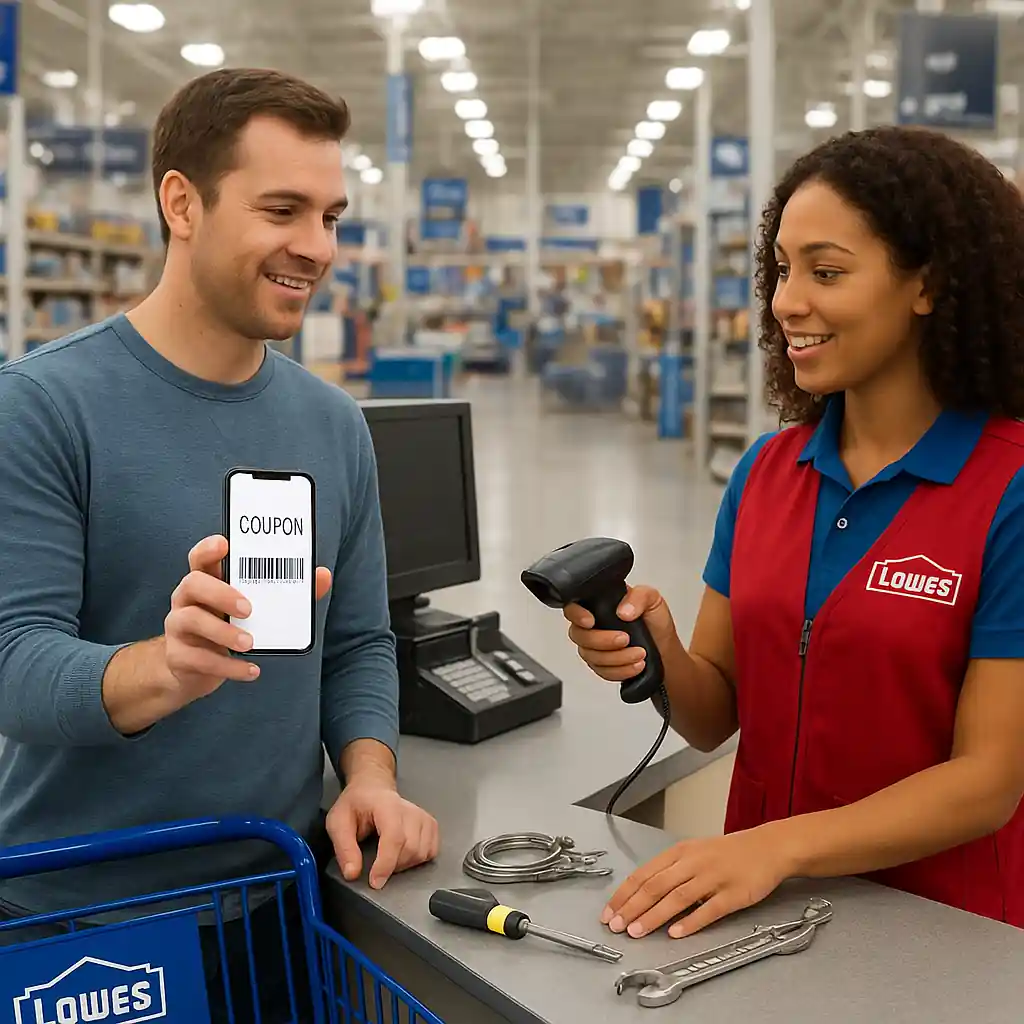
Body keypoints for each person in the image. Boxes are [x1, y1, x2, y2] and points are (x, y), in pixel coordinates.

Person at [0, 67, 438, 1014]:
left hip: (275, 895)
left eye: (331, 216)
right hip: (86, 919)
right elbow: (12, 664)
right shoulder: (41, 406)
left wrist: (369, 773)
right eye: (284, 209)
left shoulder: (333, 426)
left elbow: (359, 643)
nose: (316, 247)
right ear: (181, 202)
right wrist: (164, 668)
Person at [566, 125, 1024, 942]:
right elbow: (716, 716)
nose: (787, 302)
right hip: (766, 920)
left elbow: (988, 781)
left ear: (929, 284)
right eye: (781, 269)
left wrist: (776, 848)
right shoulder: (769, 474)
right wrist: (661, 649)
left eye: (827, 271)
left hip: (946, 935)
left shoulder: (1008, 489)